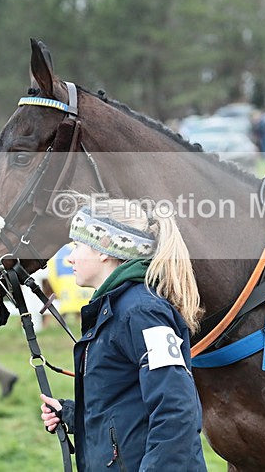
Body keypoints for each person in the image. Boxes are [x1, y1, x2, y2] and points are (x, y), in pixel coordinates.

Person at [39, 198, 207, 471]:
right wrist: (73, 414)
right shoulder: (115, 308)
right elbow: (127, 402)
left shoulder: (142, 313)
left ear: (104, 249)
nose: (69, 257)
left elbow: (177, 411)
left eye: (77, 245)